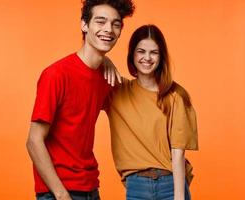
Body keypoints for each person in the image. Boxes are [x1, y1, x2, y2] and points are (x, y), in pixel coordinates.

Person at [26, 1, 135, 200]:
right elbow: (34, 141)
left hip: (91, 188)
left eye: (115, 24)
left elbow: (136, 108)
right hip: (58, 191)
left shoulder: (106, 78)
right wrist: (60, 194)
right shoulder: (56, 75)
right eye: (100, 21)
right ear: (84, 25)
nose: (108, 29)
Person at [105, 25, 198, 200]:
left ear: (161, 56)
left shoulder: (175, 96)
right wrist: (105, 61)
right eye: (141, 51)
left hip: (171, 184)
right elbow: (90, 66)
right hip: (136, 186)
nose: (147, 58)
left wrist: (179, 197)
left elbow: (178, 154)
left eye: (154, 52)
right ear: (132, 54)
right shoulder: (117, 91)